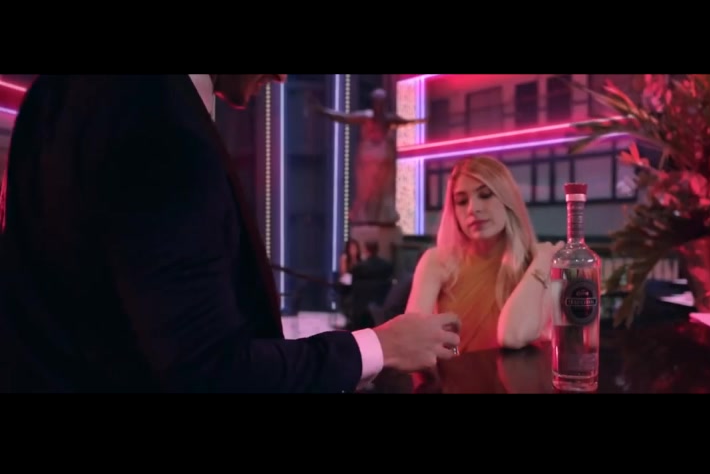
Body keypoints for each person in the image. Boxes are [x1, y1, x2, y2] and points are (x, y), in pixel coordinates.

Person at [0, 74, 459, 393]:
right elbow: (210, 371)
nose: (281, 76)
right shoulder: (161, 127)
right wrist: (379, 346)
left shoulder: (56, 93)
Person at [405, 156, 563, 354]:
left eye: (486, 195)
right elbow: (411, 340)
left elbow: (515, 336)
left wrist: (541, 264)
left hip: (519, 373)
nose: (473, 209)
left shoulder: (538, 262)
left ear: (507, 200)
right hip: (455, 373)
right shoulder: (437, 261)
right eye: (462, 201)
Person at [310, 88, 426, 226]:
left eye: (382, 103)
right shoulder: (366, 116)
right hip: (368, 159)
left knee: (382, 191)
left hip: (382, 160)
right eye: (377, 102)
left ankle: (381, 216)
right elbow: (344, 117)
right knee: (366, 190)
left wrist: (422, 120)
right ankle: (365, 215)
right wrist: (323, 111)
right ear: (373, 103)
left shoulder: (388, 119)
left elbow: (406, 121)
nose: (379, 106)